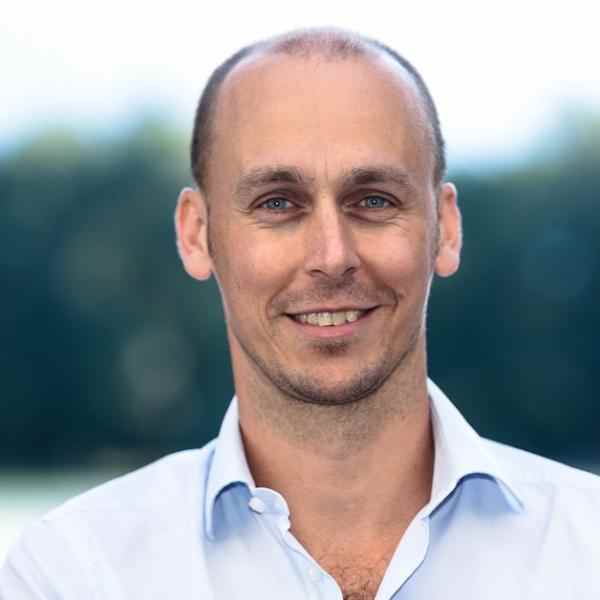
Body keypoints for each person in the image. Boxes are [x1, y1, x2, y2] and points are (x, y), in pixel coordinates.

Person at [2, 27, 599, 600]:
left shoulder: (587, 551)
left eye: (373, 200)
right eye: (278, 203)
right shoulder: (71, 576)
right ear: (197, 234)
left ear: (446, 229)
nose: (332, 257)